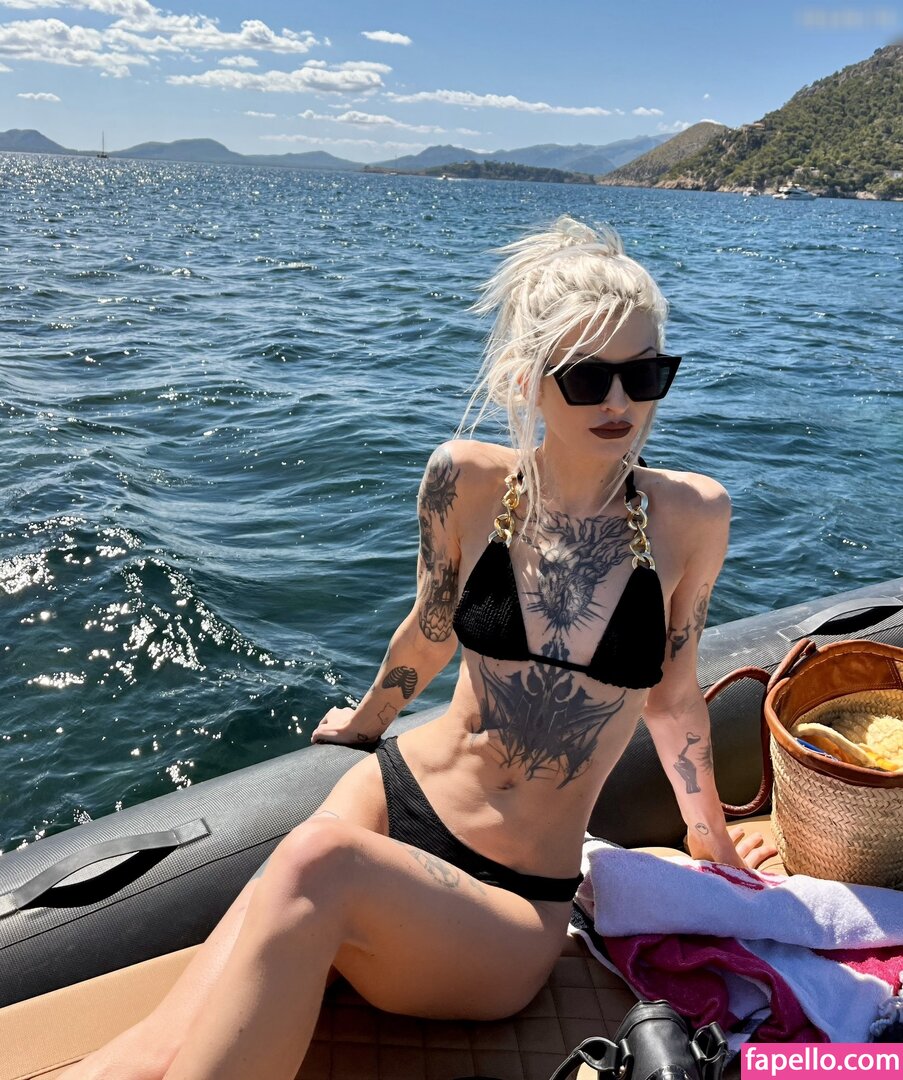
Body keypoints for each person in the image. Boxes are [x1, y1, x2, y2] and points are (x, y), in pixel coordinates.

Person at [64, 216, 775, 1080]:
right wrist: (367, 720)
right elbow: (430, 626)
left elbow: (672, 694)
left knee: (315, 865)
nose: (621, 403)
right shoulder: (466, 480)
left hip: (515, 895)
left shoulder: (690, 516)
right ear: (527, 378)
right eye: (589, 377)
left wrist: (712, 843)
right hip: (395, 792)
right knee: (158, 1041)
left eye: (646, 373)